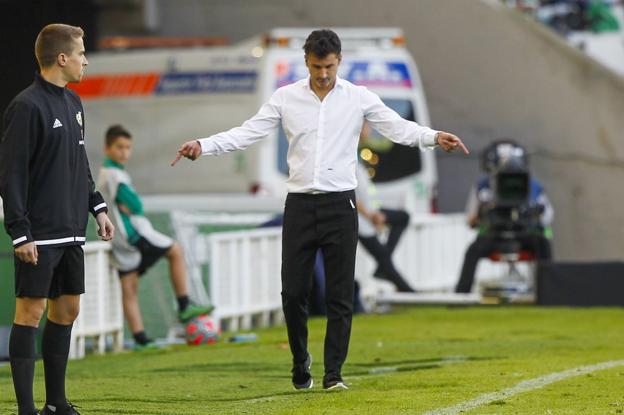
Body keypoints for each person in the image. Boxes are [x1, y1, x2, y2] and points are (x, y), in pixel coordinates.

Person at [172, 29, 468, 391]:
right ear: (306, 62)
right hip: (299, 204)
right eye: (316, 67)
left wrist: (433, 136)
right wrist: (204, 144)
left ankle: (334, 374)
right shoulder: (285, 97)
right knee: (293, 293)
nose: (322, 73)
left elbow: (396, 127)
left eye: (328, 66)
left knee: (339, 294)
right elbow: (248, 132)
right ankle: (301, 361)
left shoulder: (358, 98)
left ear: (339, 61)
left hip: (340, 204)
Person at [0, 24, 115, 415]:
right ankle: (26, 409)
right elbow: (10, 173)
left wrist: (96, 206)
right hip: (39, 234)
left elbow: (79, 161)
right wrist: (19, 232)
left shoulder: (74, 104)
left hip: (72, 231)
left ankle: (56, 404)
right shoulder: (27, 106)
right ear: (62, 57)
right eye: (81, 53)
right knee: (29, 314)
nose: (85, 60)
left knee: (67, 311)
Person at [97, 125, 214, 350]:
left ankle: (141, 339)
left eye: (128, 147)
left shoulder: (105, 173)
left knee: (129, 287)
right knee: (175, 251)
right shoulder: (115, 175)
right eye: (119, 147)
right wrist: (127, 207)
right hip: (132, 234)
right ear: (107, 148)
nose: (124, 152)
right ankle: (183, 305)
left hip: (118, 240)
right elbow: (136, 205)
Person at [455, 140, 553, 293]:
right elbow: (470, 220)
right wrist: (484, 211)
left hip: (525, 233)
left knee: (543, 245)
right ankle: (461, 296)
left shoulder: (534, 187)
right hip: (494, 234)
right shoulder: (482, 187)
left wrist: (531, 212)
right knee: (473, 251)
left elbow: (547, 216)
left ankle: (548, 293)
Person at [355, 122, 415, 293]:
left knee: (402, 219)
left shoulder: (359, 152)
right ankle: (410, 294)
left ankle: (406, 291)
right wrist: (371, 216)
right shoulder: (348, 155)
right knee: (383, 258)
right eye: (366, 126)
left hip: (367, 213)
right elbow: (349, 193)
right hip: (359, 217)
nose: (369, 130)